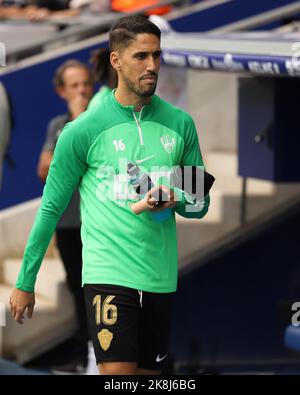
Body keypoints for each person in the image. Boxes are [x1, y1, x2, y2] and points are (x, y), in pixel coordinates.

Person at [9, 15, 210, 375]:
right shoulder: (83, 129)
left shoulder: (181, 124)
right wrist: (26, 281)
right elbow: (51, 208)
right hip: (109, 273)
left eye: (157, 56)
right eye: (141, 57)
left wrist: (175, 197)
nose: (152, 66)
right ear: (116, 60)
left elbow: (199, 205)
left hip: (160, 278)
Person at [37, 60, 94, 373]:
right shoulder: (57, 125)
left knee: (100, 288)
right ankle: (84, 354)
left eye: (85, 83)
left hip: (99, 225)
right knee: (77, 287)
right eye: (74, 86)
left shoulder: (101, 121)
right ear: (62, 92)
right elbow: (44, 171)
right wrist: (73, 122)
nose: (82, 90)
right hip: (69, 224)